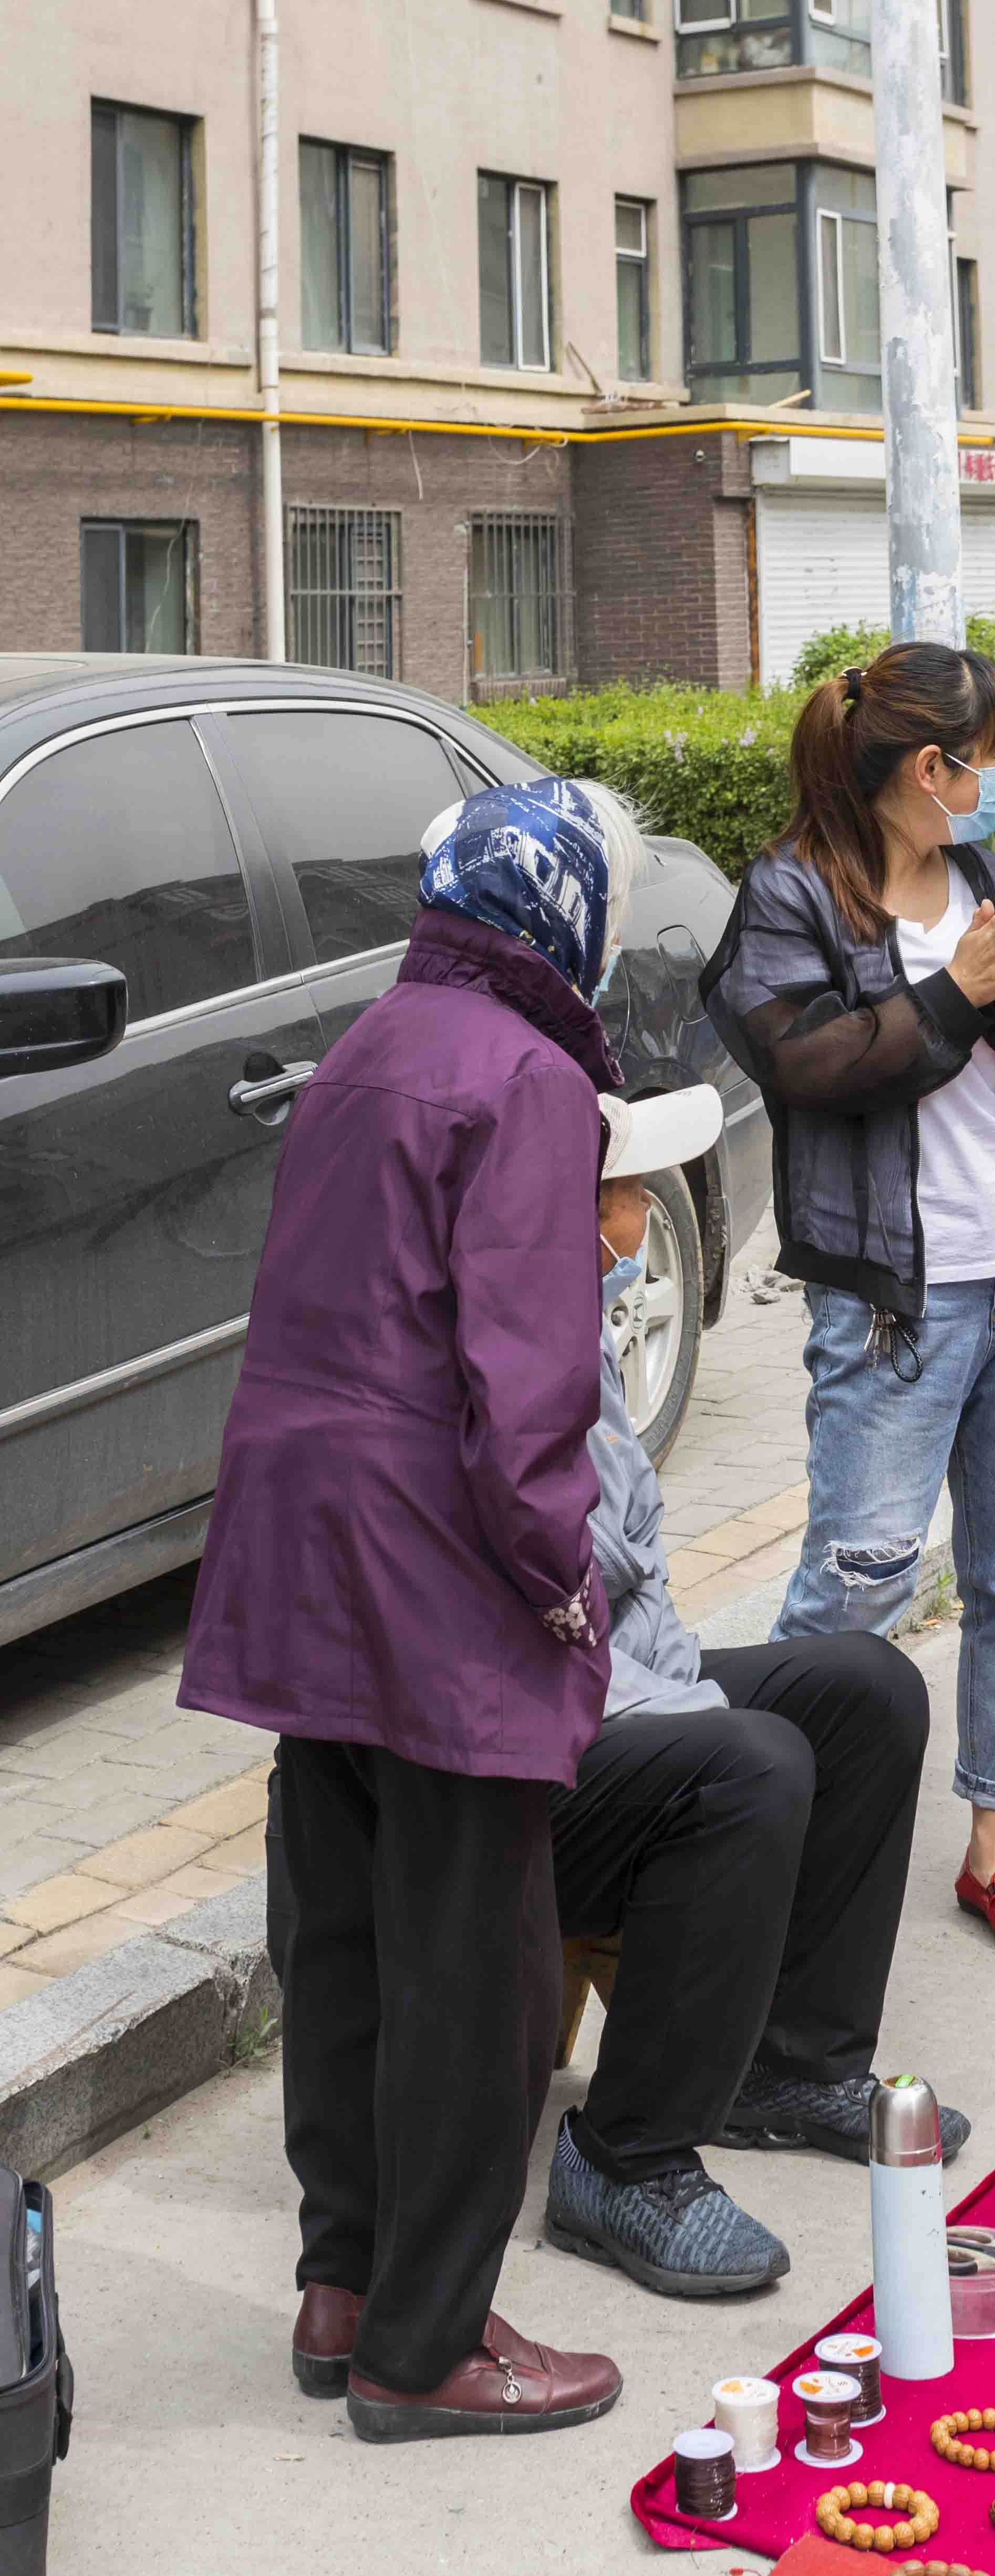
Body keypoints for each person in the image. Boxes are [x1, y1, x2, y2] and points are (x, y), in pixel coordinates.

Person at [181, 777, 645, 2442]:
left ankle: (347, 2281)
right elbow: (527, 1387)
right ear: (566, 917)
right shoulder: (527, 1077)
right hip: (435, 1554)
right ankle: (425, 2342)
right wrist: (562, 1580)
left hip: (302, 1534)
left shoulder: (371, 1043)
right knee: (475, 1965)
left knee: (345, 1934)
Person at [702, 643, 995, 1953]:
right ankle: (761, 1857)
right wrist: (955, 991)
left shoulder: (979, 869)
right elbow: (807, 1066)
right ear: (930, 767)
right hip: (897, 1297)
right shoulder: (790, 892)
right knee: (856, 1587)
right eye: (987, 758)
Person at [540, 1083, 960, 2295]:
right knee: (751, 1764)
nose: (642, 1220)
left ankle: (786, 2065)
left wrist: (687, 1700)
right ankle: (624, 2157)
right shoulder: (503, 1356)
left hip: (615, 1688)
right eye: (627, 1192)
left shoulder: (576, 1328)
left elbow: (635, 1607)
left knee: (868, 1689)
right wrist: (699, 1720)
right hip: (523, 1747)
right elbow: (550, 1617)